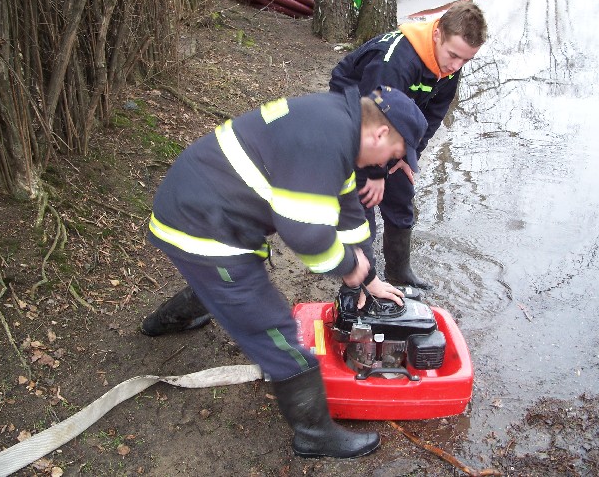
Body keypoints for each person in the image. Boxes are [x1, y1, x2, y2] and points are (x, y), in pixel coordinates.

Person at [141, 86, 427, 458]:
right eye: (394, 154)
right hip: (203, 224)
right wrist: (347, 267)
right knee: (272, 327)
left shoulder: (338, 125)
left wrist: (370, 278)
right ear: (380, 134)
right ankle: (314, 434)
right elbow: (306, 235)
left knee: (219, 285)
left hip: (201, 203)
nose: (389, 165)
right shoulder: (324, 143)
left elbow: (348, 213)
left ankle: (161, 324)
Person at [329, 1, 488, 290]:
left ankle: (399, 273)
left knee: (401, 195)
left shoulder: (450, 65)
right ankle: (363, 281)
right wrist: (376, 174)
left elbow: (434, 113)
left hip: (393, 122)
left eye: (466, 60)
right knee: (363, 200)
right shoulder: (393, 62)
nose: (456, 66)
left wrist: (408, 154)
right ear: (437, 34)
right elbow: (370, 120)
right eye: (453, 55)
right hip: (355, 120)